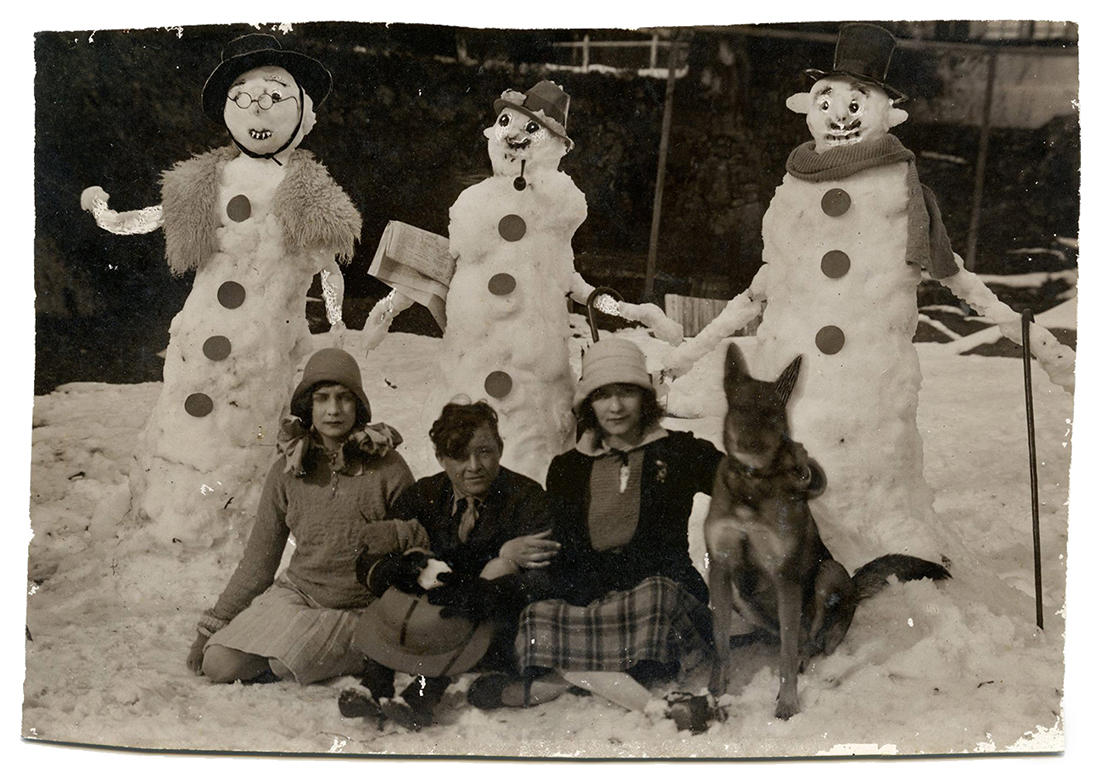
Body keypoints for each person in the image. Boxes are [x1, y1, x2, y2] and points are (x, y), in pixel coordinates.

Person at [475, 337, 724, 726]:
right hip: (600, 594)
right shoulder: (568, 467)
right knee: (538, 615)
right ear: (588, 404)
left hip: (662, 589)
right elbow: (566, 548)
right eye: (603, 395)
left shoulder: (680, 451)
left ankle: (557, 681)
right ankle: (644, 698)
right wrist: (513, 554)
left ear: (646, 398)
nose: (615, 407)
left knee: (654, 597)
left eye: (627, 392)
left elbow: (744, 484)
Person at [186, 348, 422, 685]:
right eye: (322, 398)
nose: (333, 410)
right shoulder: (287, 469)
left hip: (362, 608)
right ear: (307, 406)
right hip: (299, 595)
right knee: (218, 663)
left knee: (286, 662)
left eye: (344, 398)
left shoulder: (388, 467)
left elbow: (417, 547)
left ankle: (358, 650)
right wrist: (211, 627)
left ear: (358, 405)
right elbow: (258, 563)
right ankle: (305, 651)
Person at [339, 400, 559, 729]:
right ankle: (374, 684)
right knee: (402, 577)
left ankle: (422, 695)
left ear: (500, 449)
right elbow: (372, 554)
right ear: (441, 458)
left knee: (499, 569)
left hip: (490, 626)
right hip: (426, 618)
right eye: (459, 456)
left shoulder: (526, 498)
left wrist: (487, 590)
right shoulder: (424, 494)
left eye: (484, 452)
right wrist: (397, 570)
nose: (474, 466)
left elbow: (547, 577)